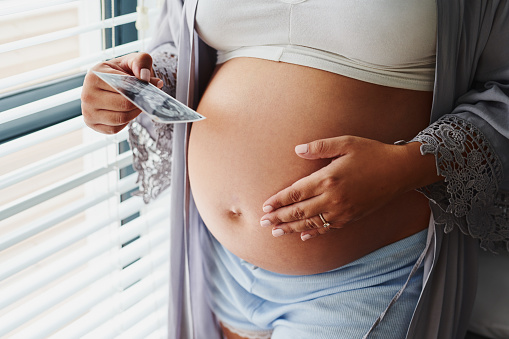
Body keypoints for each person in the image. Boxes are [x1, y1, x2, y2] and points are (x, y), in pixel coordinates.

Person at [81, 0, 509, 338]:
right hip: (220, 265)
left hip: (364, 277)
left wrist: (401, 168)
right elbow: (183, 46)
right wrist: (137, 82)